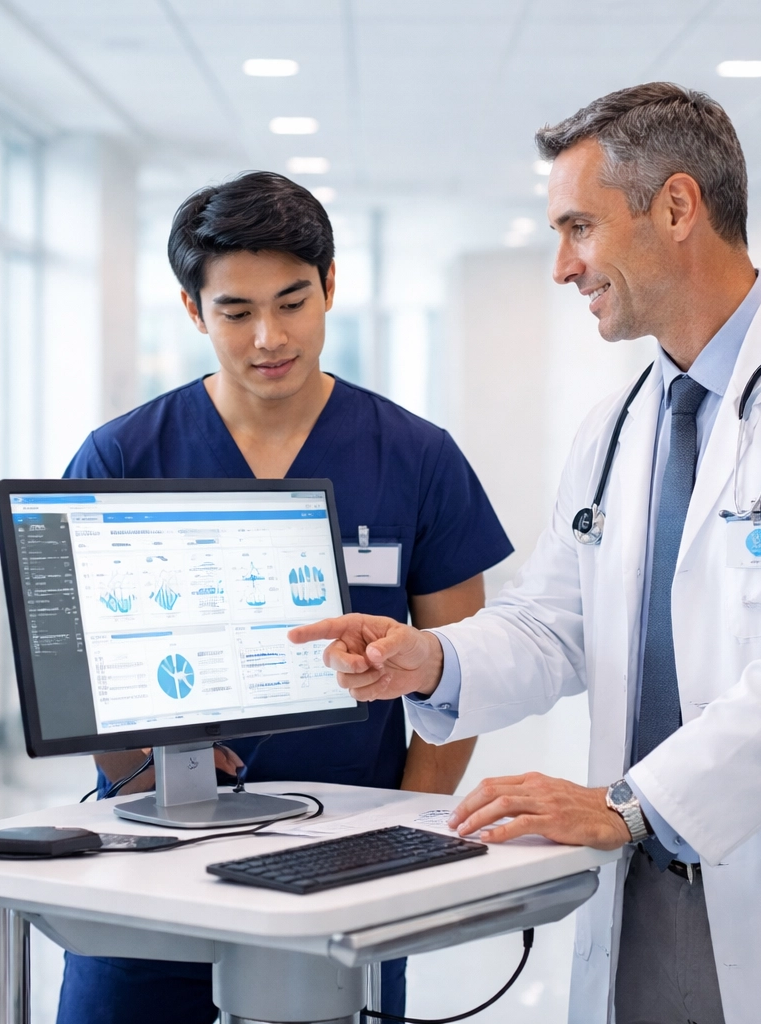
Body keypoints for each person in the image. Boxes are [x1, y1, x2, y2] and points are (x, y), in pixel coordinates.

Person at [292, 83, 761, 1024]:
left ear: (677, 207)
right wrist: (435, 656)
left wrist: (633, 802)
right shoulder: (622, 422)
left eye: (579, 227)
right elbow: (554, 621)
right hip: (648, 890)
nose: (562, 266)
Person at [56, 170, 514, 1024]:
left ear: (331, 286)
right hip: (154, 859)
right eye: (235, 311)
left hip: (344, 869)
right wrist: (142, 773)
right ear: (194, 311)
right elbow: (85, 682)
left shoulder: (417, 457)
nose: (269, 336)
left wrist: (404, 832)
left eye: (293, 302)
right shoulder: (122, 458)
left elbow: (467, 671)